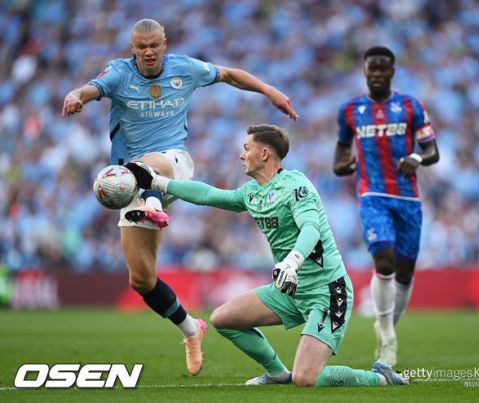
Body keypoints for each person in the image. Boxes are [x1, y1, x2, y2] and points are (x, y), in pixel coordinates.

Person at [61, 19, 298, 376]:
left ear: (165, 44)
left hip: (173, 164)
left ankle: (153, 205)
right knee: (141, 279)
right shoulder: (120, 74)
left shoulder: (184, 68)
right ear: (132, 49)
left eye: (154, 45)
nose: (149, 52)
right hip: (132, 183)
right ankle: (190, 329)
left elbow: (228, 75)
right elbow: (91, 88)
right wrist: (75, 96)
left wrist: (269, 91)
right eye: (142, 47)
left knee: (149, 162)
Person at [125, 124, 408, 387]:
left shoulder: (296, 186)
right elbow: (209, 195)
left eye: (246, 148)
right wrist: (158, 182)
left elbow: (311, 228)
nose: (241, 155)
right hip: (290, 289)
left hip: (328, 291)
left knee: (306, 379)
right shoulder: (252, 192)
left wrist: (293, 261)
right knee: (222, 318)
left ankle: (379, 378)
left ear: (264, 154)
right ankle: (277, 373)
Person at [332, 46, 440, 367]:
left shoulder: (410, 106)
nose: (377, 73)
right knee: (384, 260)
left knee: (404, 273)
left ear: (392, 71)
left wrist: (417, 157)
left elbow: (432, 150)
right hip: (373, 195)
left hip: (408, 199)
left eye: (383, 68)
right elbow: (339, 157)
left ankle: (386, 326)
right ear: (365, 71)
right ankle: (389, 338)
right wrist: (344, 166)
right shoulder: (350, 110)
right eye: (372, 68)